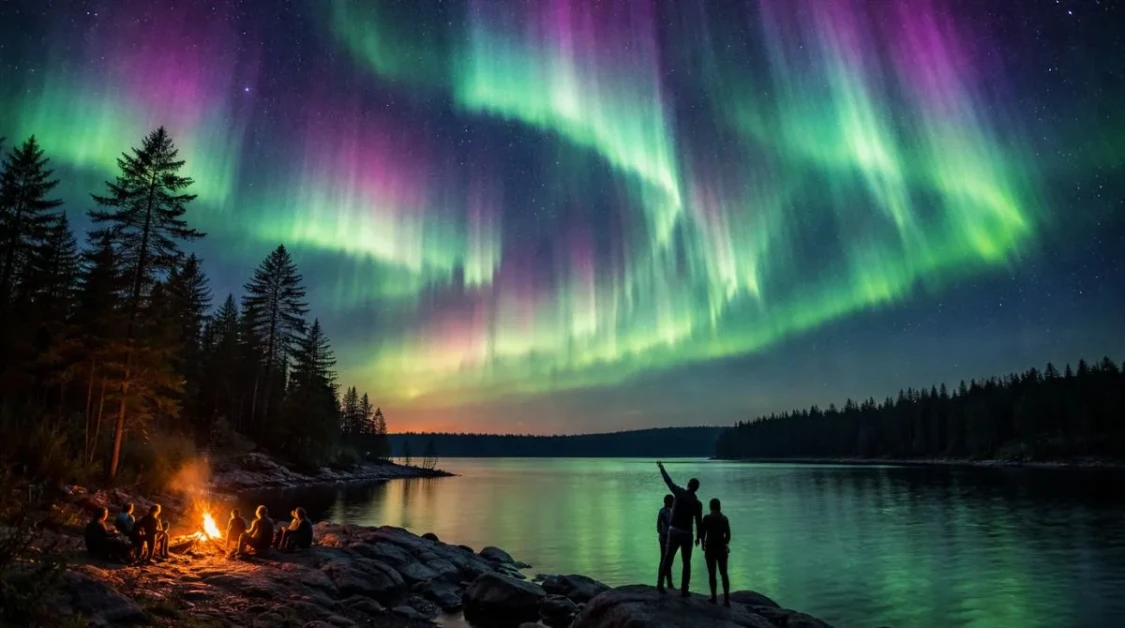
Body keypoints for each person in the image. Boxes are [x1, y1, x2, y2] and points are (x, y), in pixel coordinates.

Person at [656, 461, 703, 597]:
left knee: (668, 557)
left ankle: (660, 584)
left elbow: (668, 480)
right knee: (686, 562)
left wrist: (662, 468)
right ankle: (684, 589)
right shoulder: (697, 503)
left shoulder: (679, 493)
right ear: (696, 489)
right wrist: (699, 537)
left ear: (688, 485)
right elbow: (699, 522)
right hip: (687, 533)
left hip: (674, 530)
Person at [700, 498, 732, 606]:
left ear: (710, 507)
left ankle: (714, 597)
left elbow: (702, 532)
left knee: (712, 573)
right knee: (724, 574)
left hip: (710, 548)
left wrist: (702, 544)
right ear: (719, 506)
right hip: (722, 549)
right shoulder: (724, 519)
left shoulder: (707, 518)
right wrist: (725, 544)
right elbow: (728, 535)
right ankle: (727, 600)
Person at [656, 494, 674, 590]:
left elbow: (658, 527)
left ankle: (666, 582)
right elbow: (659, 526)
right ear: (669, 502)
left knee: (666, 560)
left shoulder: (663, 511)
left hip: (665, 538)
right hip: (665, 539)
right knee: (665, 560)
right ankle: (663, 582)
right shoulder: (665, 512)